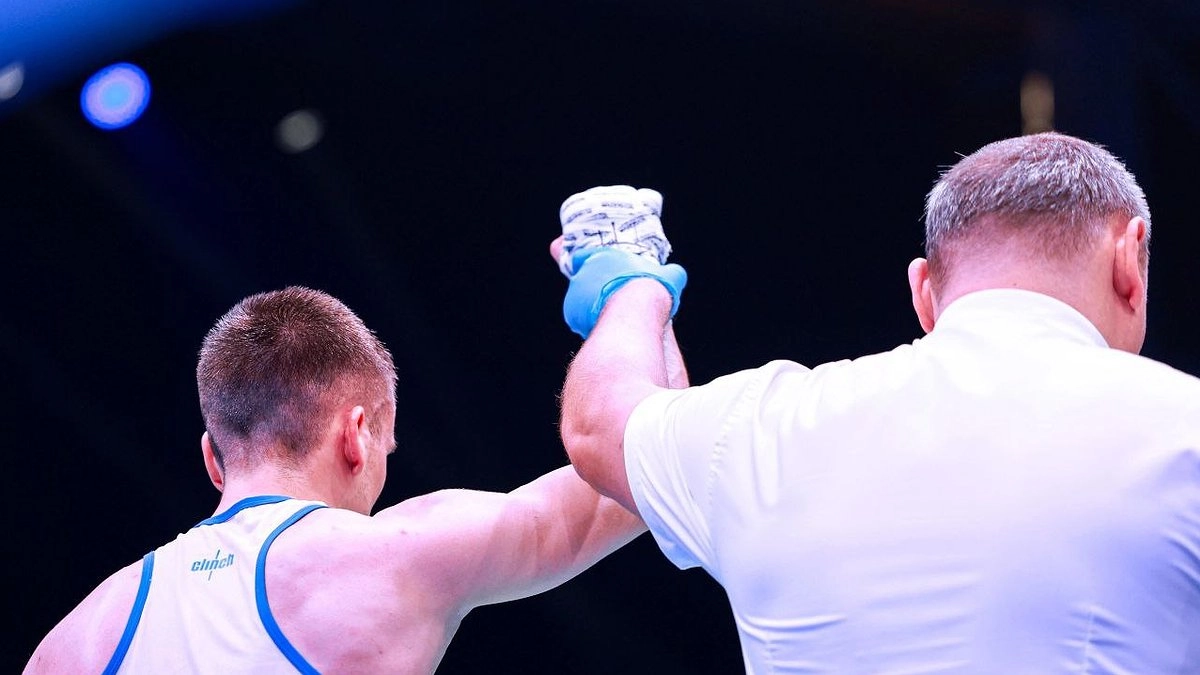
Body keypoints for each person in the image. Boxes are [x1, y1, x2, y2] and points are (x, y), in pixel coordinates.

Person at [552, 132, 1200, 673]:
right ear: (1128, 258)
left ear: (924, 293)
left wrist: (626, 275)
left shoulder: (762, 426)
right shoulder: (1183, 428)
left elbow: (601, 421)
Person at [24, 286, 651, 674]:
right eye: (386, 446)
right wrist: (629, 284)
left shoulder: (74, 641)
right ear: (356, 436)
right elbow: (641, 463)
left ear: (213, 459)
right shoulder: (390, 557)